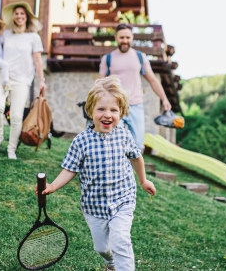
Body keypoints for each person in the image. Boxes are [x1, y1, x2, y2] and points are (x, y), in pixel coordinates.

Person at [39, 76, 156, 271]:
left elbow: (137, 158)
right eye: (101, 109)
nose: (107, 115)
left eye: (113, 110)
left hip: (123, 200)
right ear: (90, 110)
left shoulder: (124, 135)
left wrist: (143, 181)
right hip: (94, 205)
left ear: (121, 113)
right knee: (101, 248)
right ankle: (111, 265)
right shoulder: (81, 141)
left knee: (120, 241)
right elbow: (70, 169)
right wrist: (52, 186)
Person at [99, 23, 172, 151]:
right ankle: (117, 170)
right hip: (116, 107)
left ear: (132, 38)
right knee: (115, 143)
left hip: (136, 106)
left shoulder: (140, 57)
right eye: (122, 37)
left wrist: (164, 99)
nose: (125, 41)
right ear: (116, 38)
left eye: (128, 37)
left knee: (137, 146)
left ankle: (130, 171)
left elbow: (153, 80)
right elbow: (100, 84)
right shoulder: (108, 59)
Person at [0, 2, 46, 160]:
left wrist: (42, 80)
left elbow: (38, 61)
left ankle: (11, 149)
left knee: (16, 116)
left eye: (22, 14)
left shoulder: (33, 37)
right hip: (1, 75)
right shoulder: (6, 35)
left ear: (27, 17)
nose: (19, 16)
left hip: (22, 80)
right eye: (16, 14)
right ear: (12, 17)